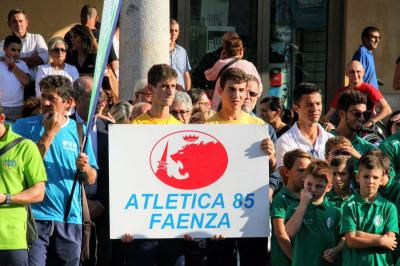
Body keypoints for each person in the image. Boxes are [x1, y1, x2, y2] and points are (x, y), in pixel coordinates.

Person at [12, 75, 98, 266]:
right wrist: (49, 135)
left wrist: (86, 168)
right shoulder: (23, 127)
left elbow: (91, 178)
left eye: (52, 98)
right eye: (43, 96)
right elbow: (22, 169)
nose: (45, 102)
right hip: (33, 217)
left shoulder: (79, 130)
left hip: (69, 218)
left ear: (68, 103)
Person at [206, 67, 275, 266]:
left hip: (250, 213)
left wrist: (270, 156)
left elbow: (271, 170)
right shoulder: (207, 128)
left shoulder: (259, 126)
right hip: (218, 212)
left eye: (241, 90)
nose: (237, 95)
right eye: (231, 89)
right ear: (220, 91)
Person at [71, 76, 111, 266]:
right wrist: (84, 203)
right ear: (76, 99)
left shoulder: (111, 129)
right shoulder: (64, 127)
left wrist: (102, 202)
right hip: (72, 208)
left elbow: (117, 173)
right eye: (91, 95)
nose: (99, 100)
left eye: (100, 95)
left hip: (105, 210)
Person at [0, 105, 47, 266]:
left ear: (1, 119)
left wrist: (6, 198)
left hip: (10, 240)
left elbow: (39, 192)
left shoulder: (25, 147)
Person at [340, 153, 398, 266]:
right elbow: (351, 241)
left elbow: (390, 240)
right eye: (366, 176)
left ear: (381, 180)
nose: (370, 181)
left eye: (375, 177)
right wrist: (380, 240)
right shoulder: (348, 205)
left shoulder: (389, 207)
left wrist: (358, 234)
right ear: (357, 177)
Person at [285, 160, 343, 266]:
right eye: (309, 184)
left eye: (319, 186)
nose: (313, 189)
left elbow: (344, 237)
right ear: (304, 182)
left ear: (329, 187)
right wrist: (303, 205)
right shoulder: (294, 208)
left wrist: (337, 250)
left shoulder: (335, 210)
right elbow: (289, 232)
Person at [275, 82, 333, 171]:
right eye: (309, 105)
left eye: (318, 103)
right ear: (296, 108)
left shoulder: (330, 140)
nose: (315, 109)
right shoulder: (285, 141)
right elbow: (286, 179)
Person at [270, 149, 312, 266]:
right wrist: (296, 259)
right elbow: (280, 233)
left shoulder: (312, 197)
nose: (305, 175)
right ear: (287, 171)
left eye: (308, 170)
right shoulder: (281, 198)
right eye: (300, 170)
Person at [324, 61, 392, 127]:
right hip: (345, 130)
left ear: (363, 72)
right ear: (346, 73)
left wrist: (370, 122)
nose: (355, 75)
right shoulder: (341, 92)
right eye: (352, 72)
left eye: (358, 71)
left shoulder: (369, 89)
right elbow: (329, 115)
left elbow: (387, 109)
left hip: (363, 130)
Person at [0, 9, 48, 99]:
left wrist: (15, 60)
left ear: (26, 22)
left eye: (20, 21)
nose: (18, 24)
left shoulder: (37, 38)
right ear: (9, 24)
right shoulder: (3, 43)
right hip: (14, 88)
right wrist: (31, 59)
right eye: (14, 21)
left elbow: (44, 59)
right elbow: (2, 60)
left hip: (35, 86)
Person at [205, 36, 261, 110]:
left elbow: (208, 76)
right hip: (243, 106)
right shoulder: (249, 65)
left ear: (225, 51)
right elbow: (259, 87)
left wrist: (221, 59)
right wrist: (250, 98)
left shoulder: (221, 63)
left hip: (222, 106)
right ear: (241, 51)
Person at [330, 90, 376, 169]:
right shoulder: (325, 140)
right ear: (342, 113)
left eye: (364, 114)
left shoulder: (369, 148)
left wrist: (360, 158)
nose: (362, 118)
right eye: (357, 114)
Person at [0, 35, 30, 121]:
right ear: (5, 48)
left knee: (15, 132)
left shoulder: (22, 64)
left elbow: (26, 81)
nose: (16, 53)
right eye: (13, 50)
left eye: (19, 50)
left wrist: (13, 66)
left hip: (17, 107)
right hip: (1, 106)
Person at [169, 19, 191, 91]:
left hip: (180, 93)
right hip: (165, 93)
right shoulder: (160, 51)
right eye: (171, 30)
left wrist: (187, 92)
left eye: (176, 31)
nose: (173, 33)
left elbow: (186, 74)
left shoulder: (182, 51)